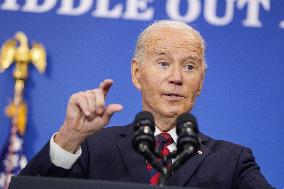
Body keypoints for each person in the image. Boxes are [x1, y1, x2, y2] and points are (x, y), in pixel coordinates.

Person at [19, 20, 274, 189]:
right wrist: (68, 139)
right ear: (136, 73)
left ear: (201, 82)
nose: (176, 77)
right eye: (163, 63)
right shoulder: (91, 148)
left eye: (189, 66)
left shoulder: (232, 161)